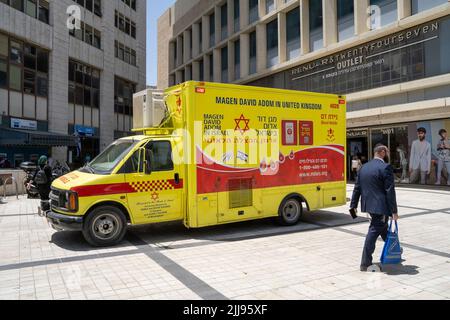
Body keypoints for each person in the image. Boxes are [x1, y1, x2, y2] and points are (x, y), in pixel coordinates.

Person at [350, 145, 399, 272]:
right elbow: (390, 191)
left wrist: (353, 206)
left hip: (369, 206)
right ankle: (365, 263)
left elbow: (357, 188)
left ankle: (394, 249)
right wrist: (394, 211)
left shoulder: (364, 168)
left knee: (382, 227)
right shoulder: (385, 167)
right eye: (387, 151)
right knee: (374, 231)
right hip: (380, 207)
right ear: (382, 152)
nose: (387, 153)